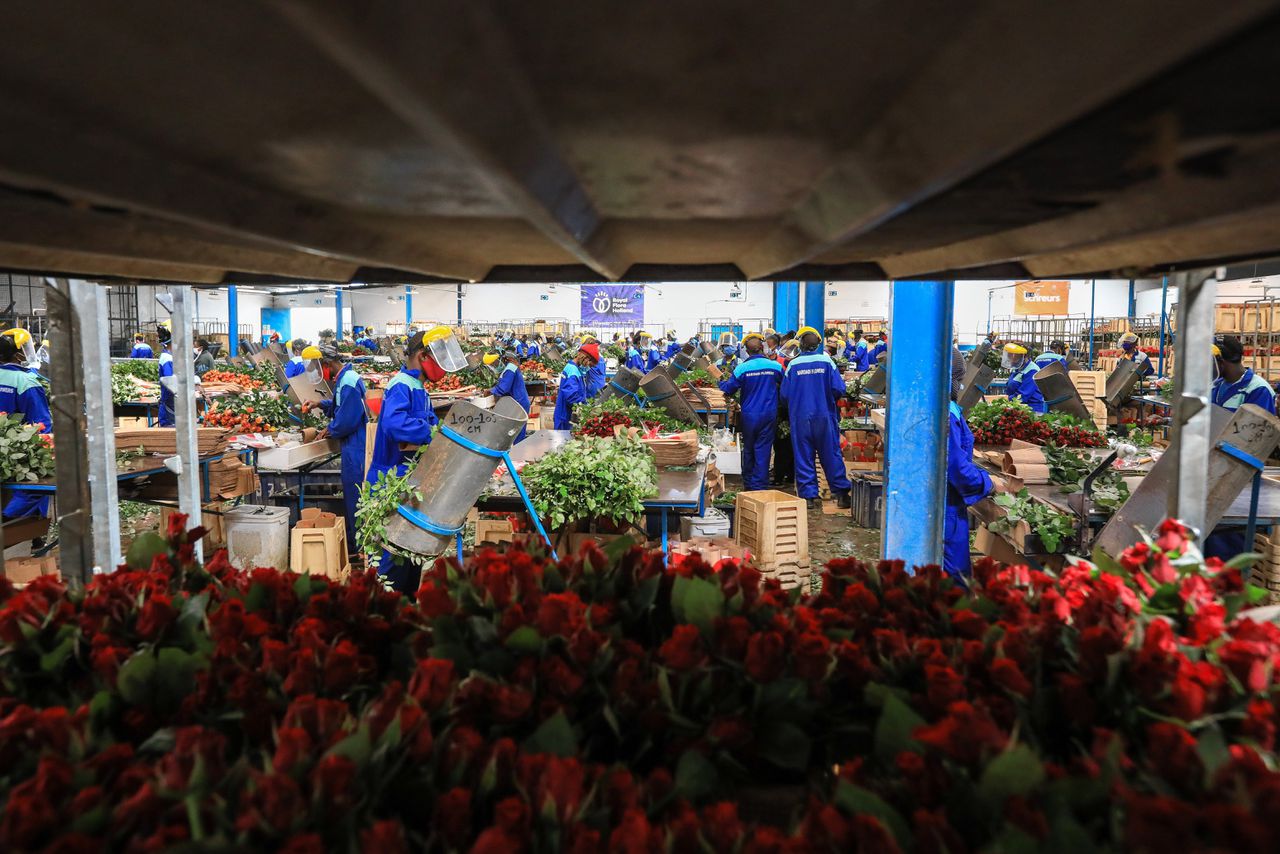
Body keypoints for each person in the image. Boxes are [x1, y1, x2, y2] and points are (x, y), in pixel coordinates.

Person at [367, 330, 444, 593]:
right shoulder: (401, 384)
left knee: (410, 559)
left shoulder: (418, 387)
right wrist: (431, 432)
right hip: (390, 480)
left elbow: (431, 421)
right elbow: (395, 424)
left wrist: (443, 432)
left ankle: (405, 615)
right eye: (438, 358)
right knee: (391, 560)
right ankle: (381, 620)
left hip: (407, 482)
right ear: (423, 356)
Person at [1202, 335, 1277, 561]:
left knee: (1227, 533)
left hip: (1239, 477)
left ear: (1221, 362)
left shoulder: (1258, 390)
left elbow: (1256, 442)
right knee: (1206, 528)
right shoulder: (1217, 386)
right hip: (1213, 469)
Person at [783, 327, 852, 508]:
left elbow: (784, 395)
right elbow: (839, 388)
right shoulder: (827, 362)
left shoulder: (793, 365)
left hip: (800, 418)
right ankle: (842, 495)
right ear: (818, 343)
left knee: (804, 456)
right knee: (831, 454)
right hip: (824, 415)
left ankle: (809, 498)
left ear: (801, 344)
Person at [309, 344, 367, 551]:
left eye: (319, 368)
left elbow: (348, 419)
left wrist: (330, 429)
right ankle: (356, 542)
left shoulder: (349, 381)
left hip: (357, 446)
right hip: (352, 444)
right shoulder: (345, 379)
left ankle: (360, 546)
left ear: (327, 364)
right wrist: (321, 404)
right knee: (354, 496)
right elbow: (341, 404)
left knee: (356, 495)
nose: (319, 373)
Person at [945, 353, 996, 580]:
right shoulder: (945, 413)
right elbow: (956, 468)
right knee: (954, 577)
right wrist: (989, 483)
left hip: (938, 501)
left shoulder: (935, 405)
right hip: (945, 507)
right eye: (959, 378)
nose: (961, 384)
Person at [0, 329, 53, 521]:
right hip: (17, 449)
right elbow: (41, 425)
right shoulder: (26, 381)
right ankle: (10, 520)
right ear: (18, 354)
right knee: (39, 482)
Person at [719, 333, 782, 491]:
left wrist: (720, 382)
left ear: (746, 351)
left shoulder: (742, 368)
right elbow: (788, 387)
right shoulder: (775, 366)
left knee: (749, 448)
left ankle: (748, 483)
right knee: (763, 448)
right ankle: (759, 485)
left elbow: (728, 389)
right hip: (769, 414)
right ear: (762, 348)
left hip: (749, 415)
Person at [490, 348, 532, 443]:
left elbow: (503, 388)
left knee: (517, 433)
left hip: (519, 403)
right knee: (515, 432)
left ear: (505, 359)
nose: (494, 366)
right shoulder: (508, 368)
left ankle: (518, 455)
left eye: (495, 363)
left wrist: (490, 391)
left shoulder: (510, 369)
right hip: (516, 402)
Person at [554, 342, 599, 429]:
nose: (588, 366)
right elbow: (572, 396)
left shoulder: (574, 368)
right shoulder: (573, 371)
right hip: (566, 417)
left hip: (566, 413)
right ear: (585, 357)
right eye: (590, 364)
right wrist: (586, 408)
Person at [1002, 343, 1046, 413]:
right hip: (1016, 408)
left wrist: (1006, 400)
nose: (1011, 359)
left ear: (1024, 357)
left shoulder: (1032, 370)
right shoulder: (1016, 368)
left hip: (1031, 410)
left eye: (1014, 356)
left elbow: (1023, 395)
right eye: (1009, 356)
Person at [157, 322, 176, 427]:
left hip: (171, 403)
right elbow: (171, 384)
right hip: (170, 404)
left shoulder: (169, 356)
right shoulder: (167, 359)